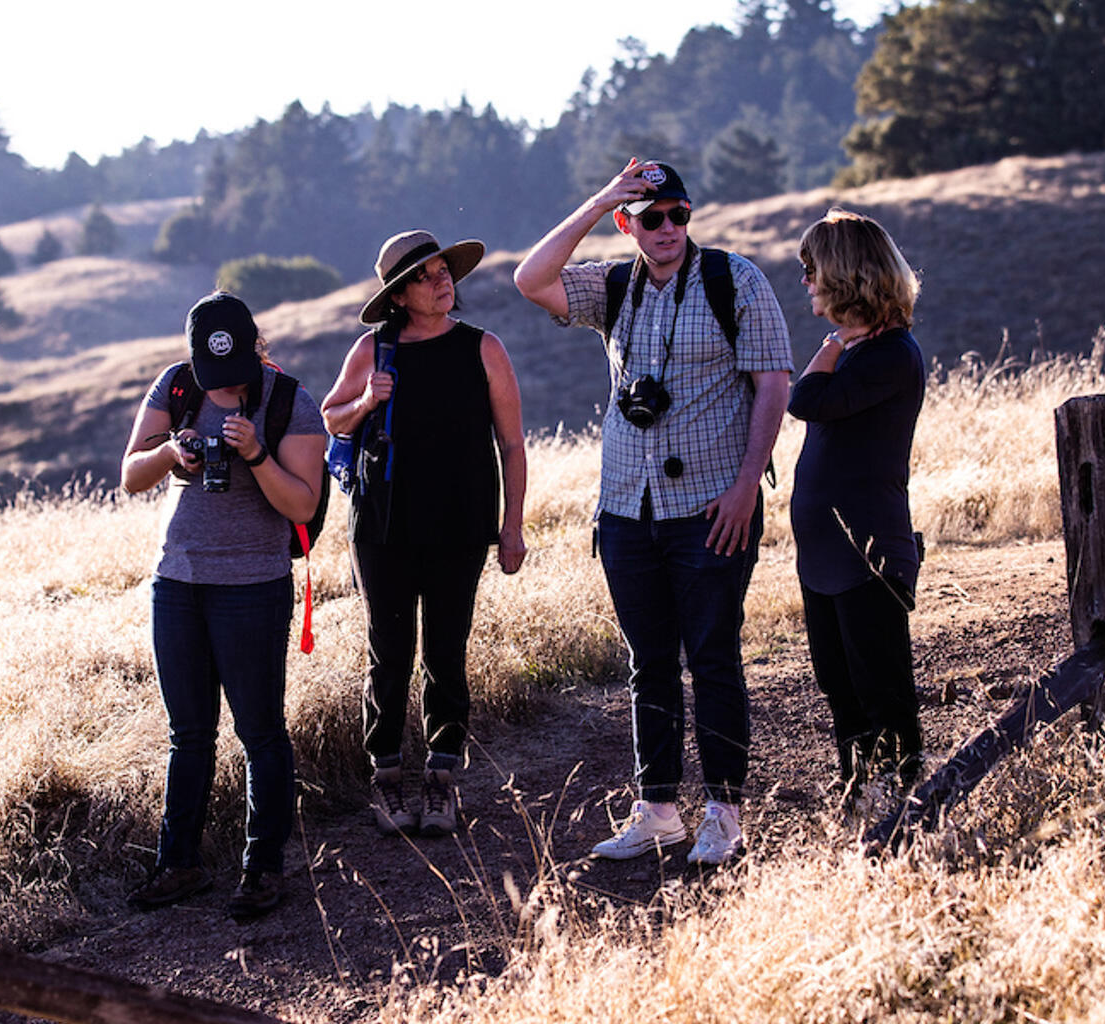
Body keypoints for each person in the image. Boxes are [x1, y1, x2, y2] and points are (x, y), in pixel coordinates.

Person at [513, 159, 793, 865]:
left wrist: (745, 486)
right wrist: (601, 198)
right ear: (626, 223)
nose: (667, 229)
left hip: (710, 507)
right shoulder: (613, 287)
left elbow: (773, 384)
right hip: (626, 510)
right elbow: (531, 280)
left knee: (714, 657)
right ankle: (658, 810)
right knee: (649, 665)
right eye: (650, 217)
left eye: (678, 215)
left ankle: (724, 814)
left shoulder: (735, 280)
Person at [119, 291, 326, 921]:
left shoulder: (288, 400)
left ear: (253, 347)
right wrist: (170, 453)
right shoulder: (177, 386)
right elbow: (130, 474)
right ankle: (177, 863)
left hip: (254, 585)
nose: (222, 386)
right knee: (189, 734)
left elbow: (302, 506)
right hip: (178, 580)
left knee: (260, 732)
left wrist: (255, 452)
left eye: (232, 371)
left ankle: (262, 870)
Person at [322, 229, 528, 839]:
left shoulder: (482, 348)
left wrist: (512, 525)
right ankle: (386, 776)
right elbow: (332, 416)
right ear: (399, 294)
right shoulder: (374, 349)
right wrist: (364, 402)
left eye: (444, 270)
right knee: (388, 652)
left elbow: (512, 445)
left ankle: (441, 781)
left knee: (446, 650)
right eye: (425, 275)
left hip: (461, 526)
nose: (442, 281)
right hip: (382, 526)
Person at [786, 209, 927, 803]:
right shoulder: (856, 351)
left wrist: (829, 346)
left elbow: (808, 401)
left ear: (845, 275)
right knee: (838, 681)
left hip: (868, 551)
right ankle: (860, 787)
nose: (805, 282)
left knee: (880, 683)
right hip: (825, 553)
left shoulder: (890, 354)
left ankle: (905, 803)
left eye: (812, 269)